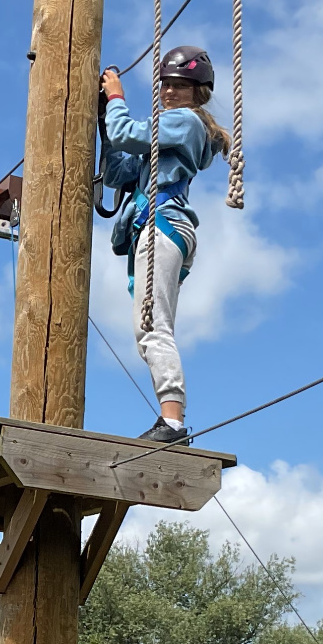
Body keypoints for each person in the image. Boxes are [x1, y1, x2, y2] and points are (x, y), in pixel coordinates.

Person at [97, 47, 233, 445]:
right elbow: (118, 170)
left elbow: (126, 134)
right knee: (147, 329)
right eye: (167, 85)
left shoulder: (185, 123)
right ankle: (171, 417)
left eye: (180, 86)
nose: (171, 92)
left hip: (163, 225)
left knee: (154, 327)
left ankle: (172, 422)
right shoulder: (170, 129)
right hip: (159, 227)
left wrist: (116, 99)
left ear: (198, 93)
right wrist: (104, 119)